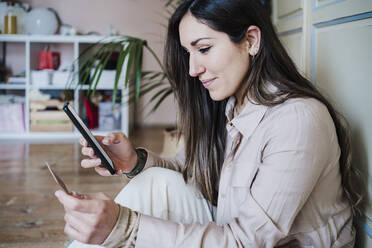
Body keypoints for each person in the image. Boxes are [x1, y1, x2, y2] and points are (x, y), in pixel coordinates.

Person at [55, 0, 362, 247]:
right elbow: (188, 169)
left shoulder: (297, 121)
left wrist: (125, 227)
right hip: (230, 225)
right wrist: (134, 161)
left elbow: (246, 241)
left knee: (126, 229)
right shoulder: (233, 102)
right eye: (189, 53)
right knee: (153, 183)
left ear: (251, 41)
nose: (192, 68)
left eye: (203, 49)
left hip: (249, 241)